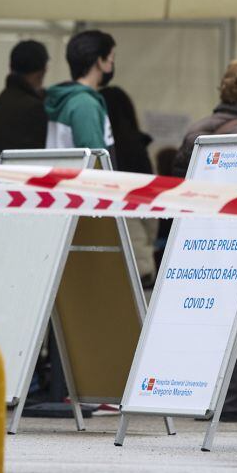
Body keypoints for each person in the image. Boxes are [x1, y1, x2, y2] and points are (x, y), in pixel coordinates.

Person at [174, 59, 237, 423]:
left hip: (197, 240)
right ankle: (235, 398)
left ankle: (194, 390)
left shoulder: (196, 131)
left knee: (201, 319)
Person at [101, 86, 158, 285]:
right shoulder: (136, 147)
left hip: (104, 257)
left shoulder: (99, 150)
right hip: (138, 254)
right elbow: (152, 203)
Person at [0, 40, 50, 162]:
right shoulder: (33, 108)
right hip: (15, 179)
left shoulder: (3, 100)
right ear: (42, 71)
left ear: (10, 66)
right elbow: (35, 159)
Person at [45, 30, 115, 151]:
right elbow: (95, 160)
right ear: (100, 61)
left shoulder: (65, 98)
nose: (112, 64)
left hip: (61, 169)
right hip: (78, 170)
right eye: (111, 58)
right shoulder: (85, 104)